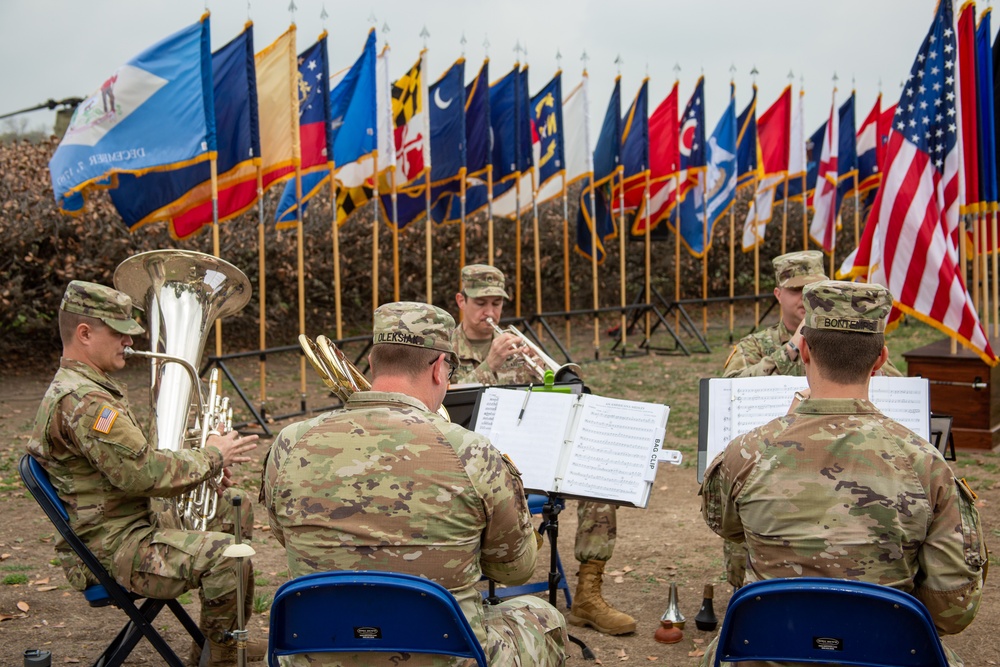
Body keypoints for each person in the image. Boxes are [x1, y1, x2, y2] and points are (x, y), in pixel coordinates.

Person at [261, 301, 567, 666]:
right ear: (440, 368)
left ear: (372, 364)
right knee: (544, 617)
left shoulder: (289, 442)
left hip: (317, 654)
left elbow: (283, 534)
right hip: (444, 655)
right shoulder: (471, 452)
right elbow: (514, 570)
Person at [700, 281, 987, 667]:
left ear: (803, 349)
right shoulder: (927, 464)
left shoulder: (745, 453)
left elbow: (727, 528)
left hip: (767, 653)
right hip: (887, 655)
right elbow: (954, 611)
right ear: (881, 358)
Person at [26, 281, 264, 666]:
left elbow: (137, 464)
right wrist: (210, 457)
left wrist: (201, 474)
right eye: (119, 333)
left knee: (233, 507)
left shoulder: (89, 389)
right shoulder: (85, 402)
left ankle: (217, 638)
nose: (129, 341)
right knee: (226, 555)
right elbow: (142, 473)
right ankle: (221, 656)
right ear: (84, 334)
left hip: (132, 523)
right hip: (114, 549)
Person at [452, 265, 636, 636]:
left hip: (525, 461)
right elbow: (440, 406)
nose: (489, 311)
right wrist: (489, 366)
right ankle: (473, 587)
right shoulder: (445, 349)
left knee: (598, 484)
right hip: (468, 467)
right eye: (480, 302)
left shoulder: (521, 349)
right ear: (461, 301)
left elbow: (564, 397)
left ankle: (587, 593)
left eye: (496, 303)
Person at [720, 251, 902, 588]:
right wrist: (791, 347)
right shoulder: (755, 346)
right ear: (778, 294)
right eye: (795, 290)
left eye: (812, 289)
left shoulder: (854, 342)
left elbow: (892, 383)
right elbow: (728, 390)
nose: (804, 298)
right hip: (774, 470)